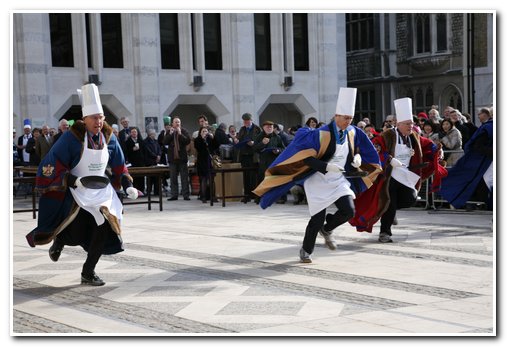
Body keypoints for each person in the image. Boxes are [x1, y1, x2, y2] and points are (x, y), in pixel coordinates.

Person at [25, 83, 139, 286]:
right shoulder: (72, 138)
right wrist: (71, 180)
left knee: (103, 229)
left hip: (101, 192)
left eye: (101, 117)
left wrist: (126, 183)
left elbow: (119, 165)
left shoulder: (110, 139)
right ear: (84, 119)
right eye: (94, 118)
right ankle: (60, 240)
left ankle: (88, 272)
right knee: (76, 232)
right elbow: (52, 163)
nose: (98, 121)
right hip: (77, 190)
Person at [253, 88, 382, 263]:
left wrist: (357, 159)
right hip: (318, 180)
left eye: (351, 118)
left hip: (338, 180)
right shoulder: (320, 134)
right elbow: (305, 158)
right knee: (316, 219)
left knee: (348, 210)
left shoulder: (352, 132)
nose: (348, 121)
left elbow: (355, 151)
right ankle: (306, 250)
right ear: (336, 116)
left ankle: (327, 229)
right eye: (345, 118)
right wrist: (326, 166)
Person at [350, 97, 446, 243]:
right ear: (399, 124)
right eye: (407, 124)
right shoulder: (387, 135)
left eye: (411, 123)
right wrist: (388, 159)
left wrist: (438, 151)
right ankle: (385, 233)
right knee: (390, 200)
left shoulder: (414, 136)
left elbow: (428, 145)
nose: (410, 126)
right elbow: (375, 149)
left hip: (406, 174)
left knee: (410, 199)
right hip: (389, 176)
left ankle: (389, 209)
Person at [440, 107, 493, 210]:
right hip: (483, 161)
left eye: (480, 114)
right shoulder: (487, 128)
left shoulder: (486, 127)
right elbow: (477, 145)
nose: (478, 116)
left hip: (485, 160)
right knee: (484, 181)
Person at [253, 120, 285, 203]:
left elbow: (283, 148)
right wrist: (262, 143)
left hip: (274, 162)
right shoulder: (259, 137)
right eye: (267, 126)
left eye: (271, 126)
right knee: (263, 180)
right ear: (263, 128)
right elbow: (255, 149)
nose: (269, 128)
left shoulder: (277, 137)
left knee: (275, 180)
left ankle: (277, 198)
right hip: (263, 162)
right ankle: (261, 198)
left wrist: (278, 150)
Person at [235, 113, 262, 202]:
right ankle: (247, 195)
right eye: (244, 121)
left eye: (247, 121)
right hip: (244, 155)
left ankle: (255, 195)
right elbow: (239, 138)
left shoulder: (257, 129)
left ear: (251, 120)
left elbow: (261, 141)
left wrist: (254, 143)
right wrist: (237, 140)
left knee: (254, 176)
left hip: (253, 156)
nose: (246, 123)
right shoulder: (242, 129)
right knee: (245, 176)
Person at [163, 116, 191, 201]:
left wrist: (180, 134)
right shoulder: (169, 132)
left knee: (184, 178)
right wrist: (170, 134)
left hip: (182, 158)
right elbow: (164, 142)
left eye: (178, 122)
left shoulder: (184, 131)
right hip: (172, 159)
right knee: (173, 178)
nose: (177, 123)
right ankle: (174, 195)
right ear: (172, 124)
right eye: (176, 122)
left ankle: (186, 195)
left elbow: (187, 141)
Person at [193, 126, 215, 203]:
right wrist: (203, 139)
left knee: (211, 179)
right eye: (203, 131)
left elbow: (214, 147)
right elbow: (199, 148)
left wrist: (212, 138)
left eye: (206, 131)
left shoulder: (209, 139)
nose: (205, 133)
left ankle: (212, 196)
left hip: (209, 160)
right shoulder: (197, 140)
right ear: (200, 132)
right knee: (204, 179)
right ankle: (203, 197)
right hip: (202, 161)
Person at [125, 127, 146, 193]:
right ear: (130, 133)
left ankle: (142, 191)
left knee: (141, 177)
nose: (134, 133)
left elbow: (144, 150)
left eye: (135, 132)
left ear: (137, 133)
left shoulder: (140, 140)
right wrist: (132, 149)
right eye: (132, 132)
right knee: (134, 177)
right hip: (132, 162)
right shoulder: (128, 142)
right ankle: (135, 192)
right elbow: (126, 151)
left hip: (141, 162)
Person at [144, 128, 162, 195]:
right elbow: (148, 151)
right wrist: (156, 156)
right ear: (149, 134)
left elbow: (159, 149)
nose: (154, 135)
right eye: (153, 134)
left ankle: (157, 192)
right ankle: (149, 191)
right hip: (149, 161)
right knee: (150, 178)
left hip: (156, 161)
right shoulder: (145, 141)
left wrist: (159, 155)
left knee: (157, 177)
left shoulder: (155, 141)